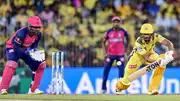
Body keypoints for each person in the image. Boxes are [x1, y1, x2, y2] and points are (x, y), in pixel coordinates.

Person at [116, 23, 174, 95]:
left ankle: (153, 89)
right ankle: (119, 86)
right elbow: (146, 58)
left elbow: (169, 43)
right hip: (137, 57)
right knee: (126, 81)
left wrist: (170, 53)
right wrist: (159, 61)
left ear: (152, 33)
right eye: (144, 34)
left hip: (150, 53)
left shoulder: (156, 36)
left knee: (162, 63)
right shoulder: (139, 42)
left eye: (148, 34)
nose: (146, 36)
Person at [0, 16, 46, 95]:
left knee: (41, 65)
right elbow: (16, 49)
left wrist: (34, 51)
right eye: (35, 27)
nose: (37, 29)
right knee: (12, 63)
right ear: (29, 26)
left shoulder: (38, 35)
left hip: (26, 50)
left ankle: (33, 90)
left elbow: (34, 45)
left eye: (38, 27)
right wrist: (27, 52)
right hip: (13, 48)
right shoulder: (21, 33)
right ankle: (3, 89)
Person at [101, 16, 129, 94]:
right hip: (110, 55)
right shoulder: (108, 32)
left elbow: (128, 38)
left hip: (120, 55)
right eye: (114, 22)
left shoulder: (123, 31)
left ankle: (120, 89)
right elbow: (103, 42)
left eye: (117, 22)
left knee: (121, 73)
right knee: (105, 72)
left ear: (119, 23)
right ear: (112, 23)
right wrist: (105, 53)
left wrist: (126, 49)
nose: (116, 23)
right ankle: (103, 89)